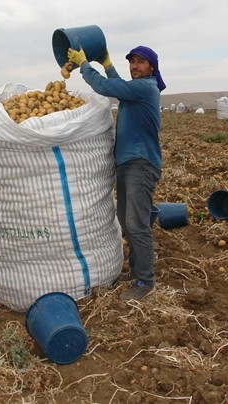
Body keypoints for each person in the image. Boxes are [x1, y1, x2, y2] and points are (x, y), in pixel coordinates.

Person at [67, 45, 165, 302]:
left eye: (140, 62)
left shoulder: (146, 88)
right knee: (127, 221)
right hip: (128, 163)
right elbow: (119, 85)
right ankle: (136, 272)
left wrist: (85, 64)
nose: (134, 66)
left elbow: (107, 88)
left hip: (140, 164)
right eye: (132, 62)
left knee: (136, 223)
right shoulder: (136, 90)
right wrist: (108, 65)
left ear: (151, 67)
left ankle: (145, 280)